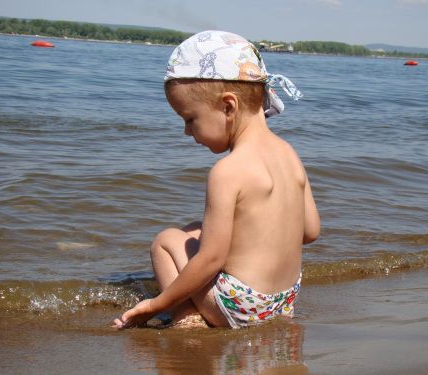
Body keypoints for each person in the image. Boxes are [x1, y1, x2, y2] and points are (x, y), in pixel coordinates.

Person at [113, 30, 320, 329]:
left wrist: (155, 304)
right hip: (283, 302)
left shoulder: (228, 170)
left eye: (189, 119)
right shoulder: (289, 153)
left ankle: (185, 316)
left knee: (167, 240)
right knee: (196, 230)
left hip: (242, 308)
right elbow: (311, 231)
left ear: (228, 106)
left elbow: (211, 259)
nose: (187, 131)